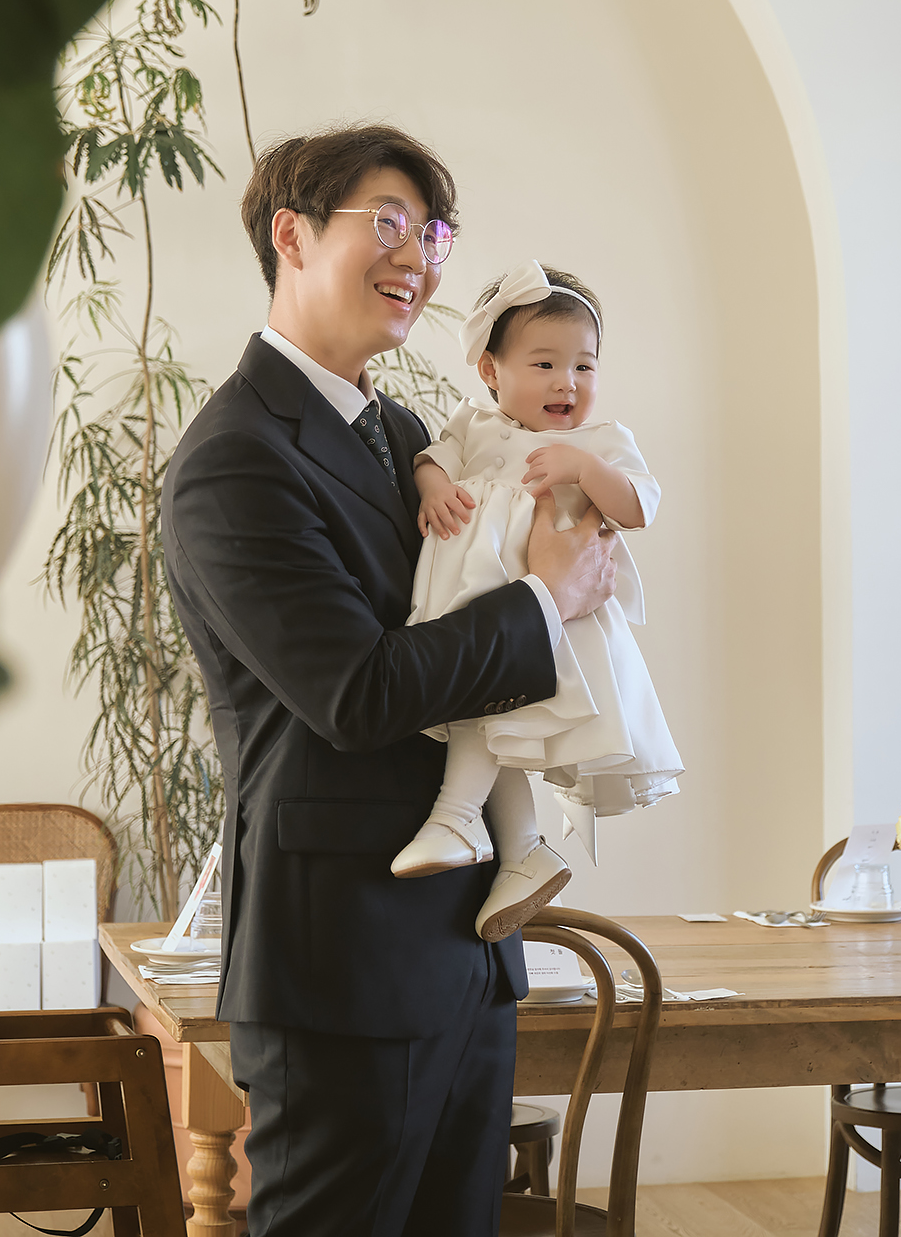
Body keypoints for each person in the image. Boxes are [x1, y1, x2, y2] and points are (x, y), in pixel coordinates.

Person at [161, 126, 618, 1237]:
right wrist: (546, 601)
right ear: (291, 235)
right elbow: (357, 692)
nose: (418, 257)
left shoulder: (404, 431)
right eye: (389, 223)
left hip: (466, 946)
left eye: (434, 234)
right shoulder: (234, 458)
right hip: (343, 958)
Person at [393, 261, 682, 939]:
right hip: (482, 608)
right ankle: (522, 851)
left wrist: (585, 468)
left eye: (584, 366)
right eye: (545, 363)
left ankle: (456, 820)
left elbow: (639, 506)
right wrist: (434, 487)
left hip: (557, 622)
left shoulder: (599, 442)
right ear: (490, 370)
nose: (566, 382)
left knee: (490, 715)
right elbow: (431, 460)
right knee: (492, 724)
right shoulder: (473, 424)